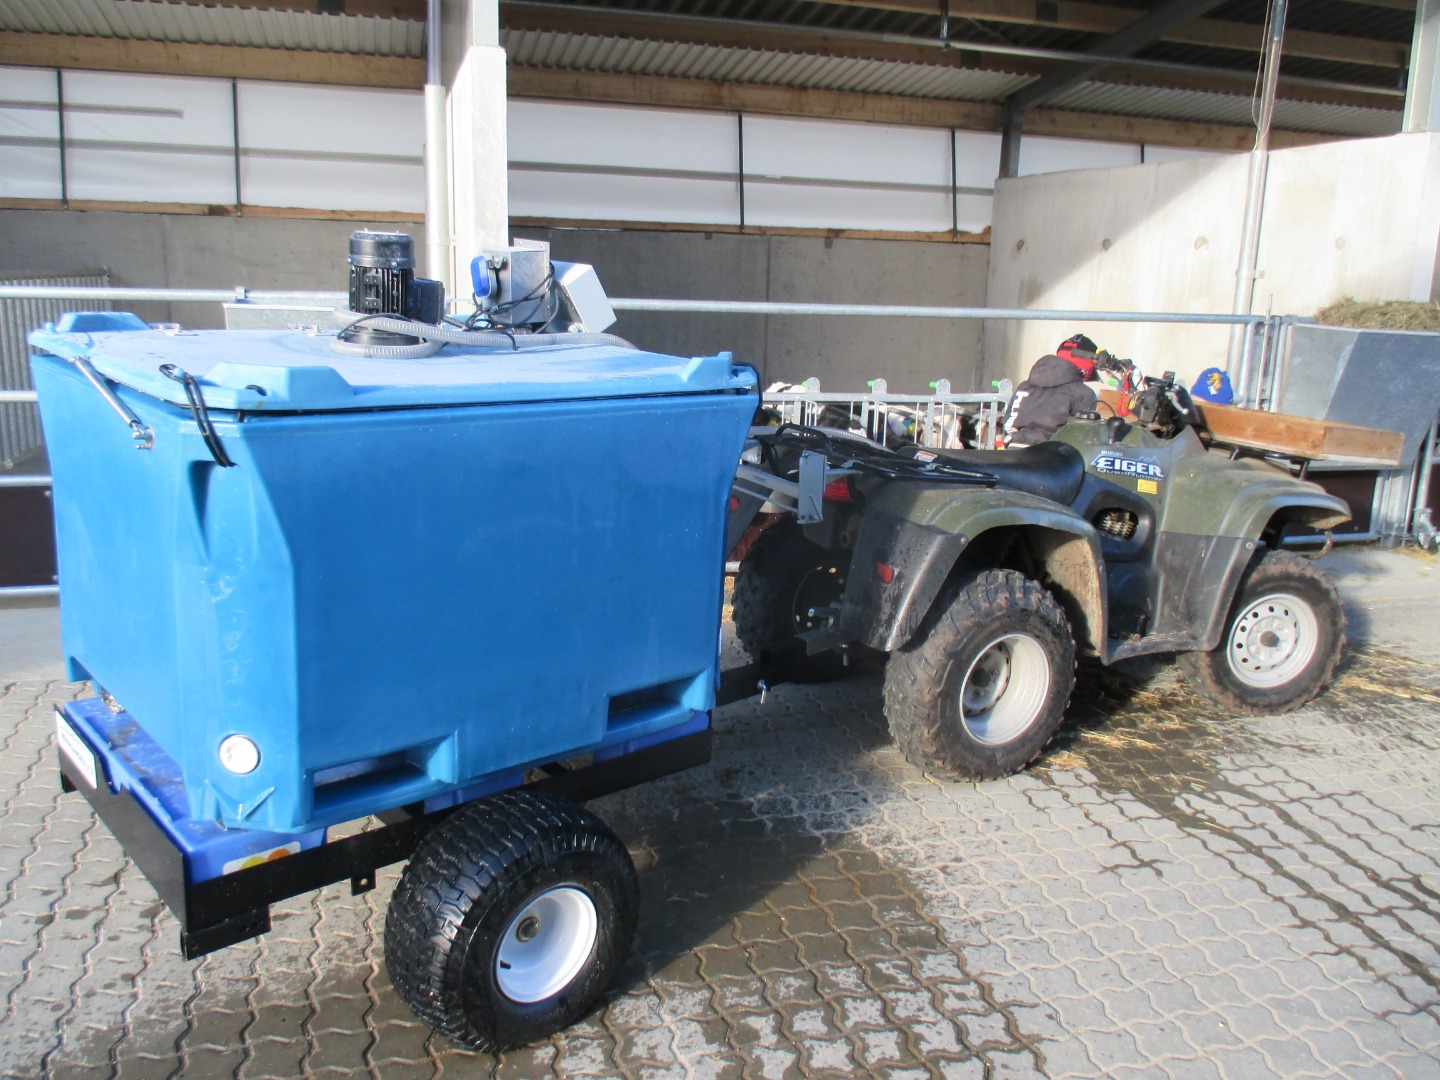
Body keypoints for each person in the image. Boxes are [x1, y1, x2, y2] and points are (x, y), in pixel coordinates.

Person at [1001, 334, 1100, 447]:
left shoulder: (1024, 386)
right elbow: (1085, 437)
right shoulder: (1083, 393)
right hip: (1050, 453)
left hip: (1011, 446)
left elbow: (1008, 423)